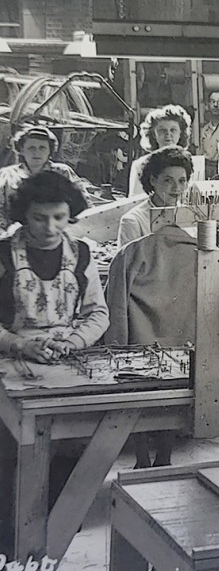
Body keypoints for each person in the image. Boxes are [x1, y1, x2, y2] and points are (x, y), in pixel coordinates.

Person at [0, 171, 109, 514]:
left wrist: (75, 341)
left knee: (68, 449)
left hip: (65, 361)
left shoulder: (82, 255)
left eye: (59, 217)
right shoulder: (4, 254)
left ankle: (55, 525)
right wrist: (18, 344)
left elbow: (98, 314)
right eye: (39, 218)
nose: (49, 227)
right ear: (23, 215)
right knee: (11, 454)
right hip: (10, 360)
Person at [106, 221, 197, 468]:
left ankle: (142, 459)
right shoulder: (205, 256)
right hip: (183, 346)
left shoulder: (131, 253)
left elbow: (114, 305)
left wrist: (117, 345)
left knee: (136, 398)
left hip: (139, 344)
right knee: (172, 398)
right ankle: (165, 457)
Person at [0, 125, 91, 232]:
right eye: (31, 148)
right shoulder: (7, 175)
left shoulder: (62, 172)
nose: (36, 152)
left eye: (42, 148)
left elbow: (84, 205)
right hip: (15, 233)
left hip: (56, 232)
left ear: (50, 151)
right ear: (21, 150)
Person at [117, 146, 193, 248]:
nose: (176, 188)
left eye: (181, 181)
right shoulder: (133, 221)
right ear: (153, 180)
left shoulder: (191, 215)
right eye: (168, 180)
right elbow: (129, 263)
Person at [128, 104, 192, 197]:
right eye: (162, 130)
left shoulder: (189, 162)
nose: (168, 134)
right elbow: (135, 200)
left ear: (181, 133)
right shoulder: (141, 165)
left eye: (173, 130)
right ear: (153, 134)